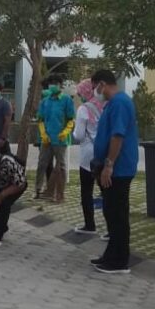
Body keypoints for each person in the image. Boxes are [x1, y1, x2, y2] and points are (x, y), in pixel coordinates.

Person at [90, 69, 139, 275]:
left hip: (119, 168)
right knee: (110, 212)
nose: (95, 91)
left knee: (117, 214)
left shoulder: (120, 103)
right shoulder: (112, 103)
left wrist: (109, 164)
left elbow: (117, 135)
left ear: (102, 84)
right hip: (109, 167)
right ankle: (111, 254)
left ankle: (119, 260)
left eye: (95, 87)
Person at [72, 78, 106, 235]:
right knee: (106, 191)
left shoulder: (83, 109)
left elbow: (79, 135)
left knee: (86, 191)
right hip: (103, 151)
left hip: (87, 155)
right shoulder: (104, 106)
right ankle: (111, 228)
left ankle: (90, 225)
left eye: (80, 94)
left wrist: (74, 132)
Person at [35, 75, 75, 202]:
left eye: (55, 83)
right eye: (51, 83)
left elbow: (71, 119)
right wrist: (43, 133)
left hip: (61, 139)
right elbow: (40, 119)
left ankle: (60, 194)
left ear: (60, 85)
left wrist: (66, 131)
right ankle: (38, 190)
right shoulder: (45, 101)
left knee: (61, 166)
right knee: (42, 164)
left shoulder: (66, 100)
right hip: (46, 139)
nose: (52, 85)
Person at [32, 79, 54, 193]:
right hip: (43, 137)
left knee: (48, 164)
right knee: (45, 164)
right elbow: (40, 121)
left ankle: (50, 187)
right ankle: (45, 187)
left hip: (52, 137)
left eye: (46, 88)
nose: (44, 91)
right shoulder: (42, 102)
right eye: (43, 88)